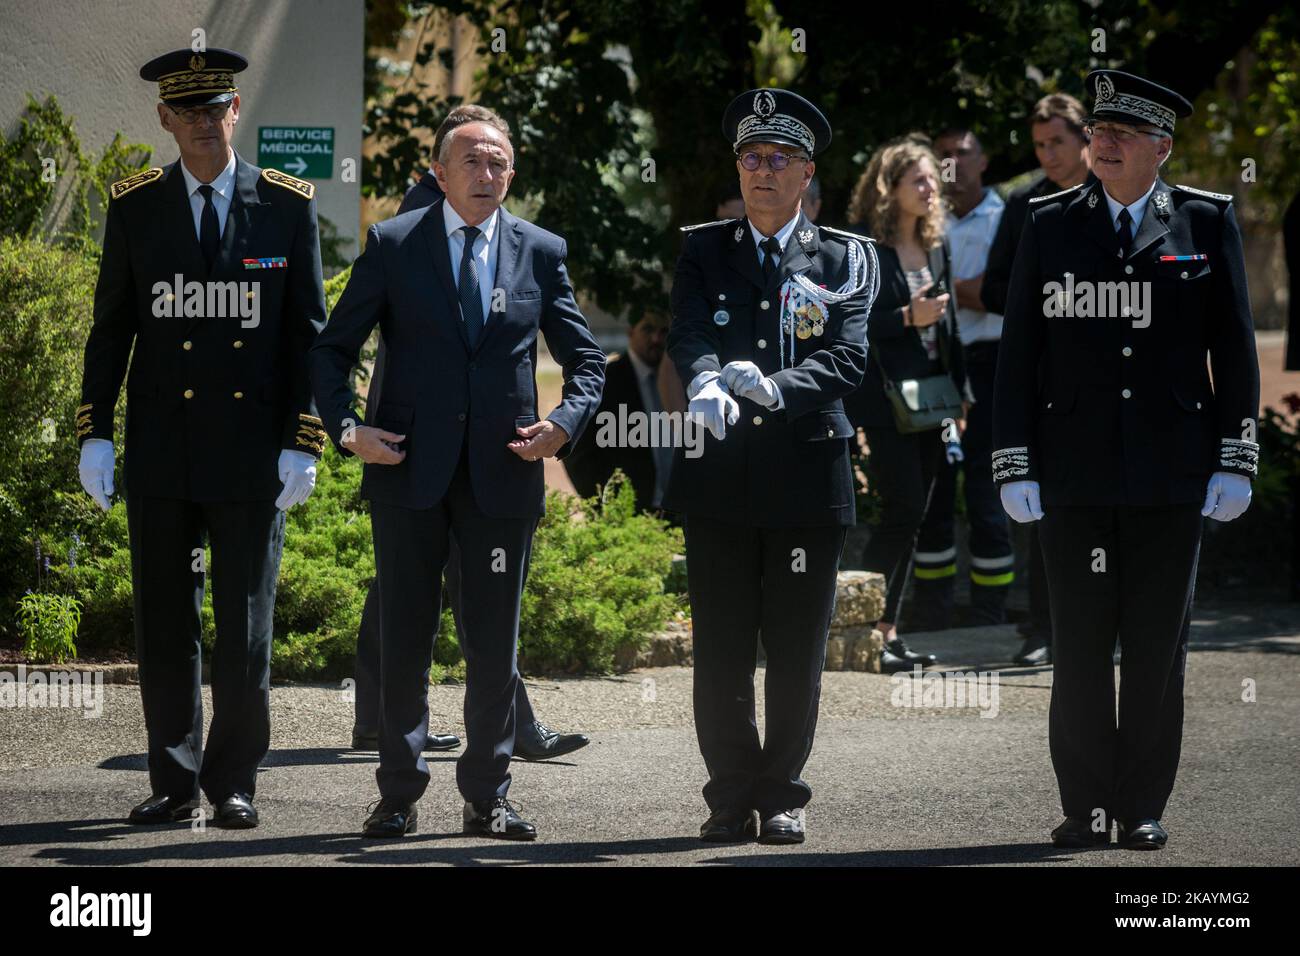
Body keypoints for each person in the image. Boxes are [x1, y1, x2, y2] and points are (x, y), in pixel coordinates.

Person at [310, 114, 605, 840]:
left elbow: (587, 361)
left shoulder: (539, 252)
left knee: (493, 647)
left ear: (512, 173)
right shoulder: (393, 244)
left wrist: (564, 422)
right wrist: (349, 431)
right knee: (405, 641)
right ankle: (398, 795)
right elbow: (330, 350)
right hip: (407, 472)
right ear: (438, 173)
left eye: (499, 162)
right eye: (471, 161)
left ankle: (489, 796)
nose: (486, 174)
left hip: (502, 478)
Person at [992, 70, 1260, 851]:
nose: (1102, 145)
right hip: (1071, 473)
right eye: (1098, 133)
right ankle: (1084, 805)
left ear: (1161, 148)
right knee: (1077, 646)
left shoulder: (1205, 222)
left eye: (1122, 136)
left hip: (1173, 471)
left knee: (1154, 650)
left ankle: (1140, 803)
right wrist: (1015, 460)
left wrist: (1235, 455)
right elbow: (1020, 352)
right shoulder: (1049, 222)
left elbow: (1234, 348)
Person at [76, 47, 327, 829]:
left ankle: (235, 781)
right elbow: (111, 329)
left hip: (252, 453)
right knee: (165, 624)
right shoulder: (137, 206)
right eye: (185, 112)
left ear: (235, 110)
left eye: (214, 109)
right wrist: (97, 433)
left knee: (244, 627)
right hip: (162, 447)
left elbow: (308, 335)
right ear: (164, 119)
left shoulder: (285, 206)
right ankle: (174, 779)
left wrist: (305, 439)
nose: (202, 125)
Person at [666, 88, 875, 845]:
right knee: (720, 652)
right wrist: (703, 378)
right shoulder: (704, 247)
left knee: (794, 652)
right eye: (751, 157)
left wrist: (777, 388)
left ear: (806, 173)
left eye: (777, 158)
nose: (762, 170)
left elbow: (850, 357)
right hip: (719, 478)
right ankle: (728, 795)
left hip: (804, 481)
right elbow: (687, 328)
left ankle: (782, 793)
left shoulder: (845, 257)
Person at [843, 137, 970, 673]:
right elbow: (848, 324)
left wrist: (963, 399)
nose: (930, 188)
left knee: (917, 514)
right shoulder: (865, 249)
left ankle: (886, 631)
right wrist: (904, 318)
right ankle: (869, 632)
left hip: (936, 401)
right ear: (888, 189)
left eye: (932, 181)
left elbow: (952, 328)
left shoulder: (938, 245)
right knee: (902, 510)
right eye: (917, 180)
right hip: (887, 402)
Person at [983, 93, 1094, 665]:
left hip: (1118, 377)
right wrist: (1057, 298)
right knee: (1043, 505)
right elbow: (995, 287)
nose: (1048, 154)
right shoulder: (1025, 203)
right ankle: (1044, 627)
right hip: (1048, 377)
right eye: (1039, 145)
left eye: (1057, 141)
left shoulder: (1120, 195)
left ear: (1085, 138)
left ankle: (1113, 623)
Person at [909, 127, 1011, 629]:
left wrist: (967, 292)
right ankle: (934, 609)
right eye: (943, 155)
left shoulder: (1005, 216)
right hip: (941, 363)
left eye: (962, 153)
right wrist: (973, 291)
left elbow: (1005, 292)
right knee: (936, 485)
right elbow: (924, 295)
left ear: (983, 159)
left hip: (993, 362)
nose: (952, 162)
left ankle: (990, 610)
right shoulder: (928, 221)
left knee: (988, 489)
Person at [563, 303, 673, 512]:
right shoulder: (604, 381)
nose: (656, 339)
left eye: (664, 331)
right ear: (631, 332)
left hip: (675, 509)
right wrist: (602, 501)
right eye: (648, 329)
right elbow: (576, 448)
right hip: (624, 510)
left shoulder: (680, 380)